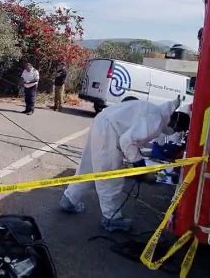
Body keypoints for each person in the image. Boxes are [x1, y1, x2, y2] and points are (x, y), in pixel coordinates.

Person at [59, 98, 190, 232]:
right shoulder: (156, 120)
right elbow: (127, 141)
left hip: (102, 122)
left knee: (88, 166)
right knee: (110, 177)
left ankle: (69, 199)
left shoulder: (155, 111)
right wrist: (140, 167)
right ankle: (111, 218)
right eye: (179, 130)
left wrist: (138, 163)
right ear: (175, 124)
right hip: (109, 131)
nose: (176, 132)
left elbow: (133, 137)